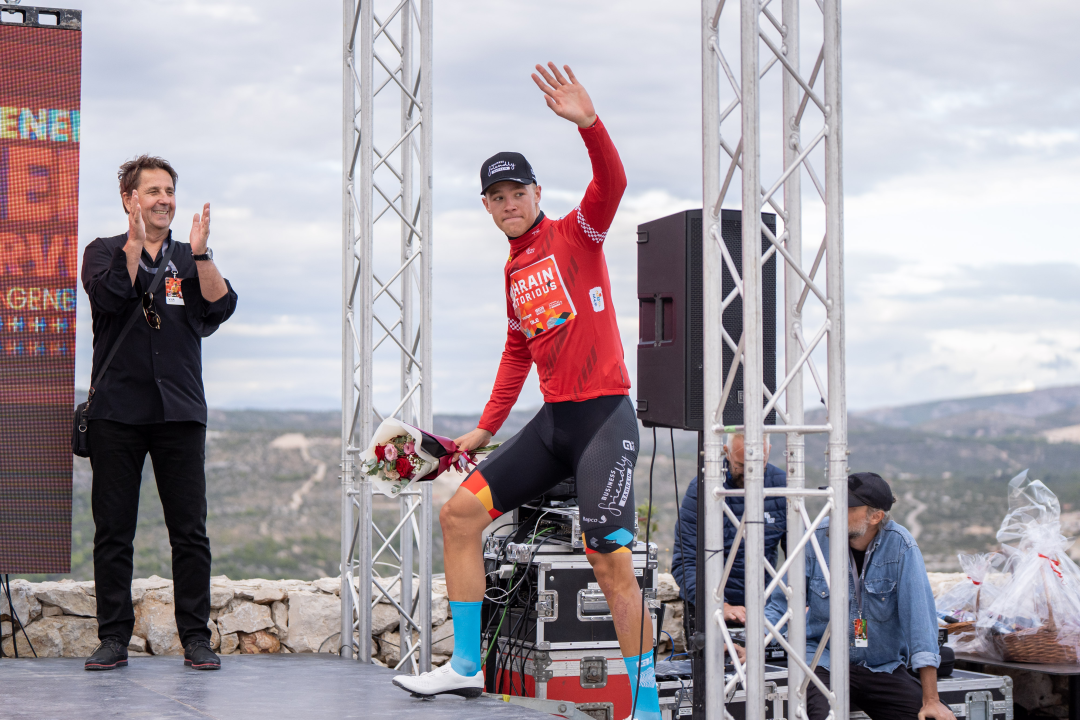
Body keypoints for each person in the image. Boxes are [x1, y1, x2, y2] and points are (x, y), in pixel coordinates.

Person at [392, 63, 660, 719]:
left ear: (537, 193)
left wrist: (589, 124)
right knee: (459, 515)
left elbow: (614, 183)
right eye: (497, 197)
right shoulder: (513, 272)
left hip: (604, 419)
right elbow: (518, 351)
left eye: (518, 192)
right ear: (486, 206)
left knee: (608, 558)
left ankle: (646, 705)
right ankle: (462, 666)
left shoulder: (578, 234)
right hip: (553, 424)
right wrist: (483, 430)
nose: (509, 204)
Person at [81, 156, 237, 672]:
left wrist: (203, 254)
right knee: (114, 532)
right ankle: (112, 639)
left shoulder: (189, 259)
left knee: (190, 532)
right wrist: (133, 244)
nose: (164, 199)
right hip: (116, 414)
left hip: (180, 413)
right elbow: (111, 296)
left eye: (169, 191)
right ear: (129, 199)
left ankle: (195, 639)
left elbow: (219, 308)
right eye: (152, 191)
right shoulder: (101, 252)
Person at [765, 472, 956, 720]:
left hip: (881, 665)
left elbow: (921, 623)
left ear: (875, 517)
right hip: (823, 662)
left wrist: (931, 700)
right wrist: (756, 645)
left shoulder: (902, 546)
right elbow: (780, 604)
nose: (834, 509)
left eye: (847, 506)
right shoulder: (814, 539)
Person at [671, 433, 786, 645]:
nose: (750, 473)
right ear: (726, 451)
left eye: (758, 464)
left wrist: (798, 600)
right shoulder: (703, 488)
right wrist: (719, 606)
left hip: (765, 611)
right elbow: (684, 562)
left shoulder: (782, 486)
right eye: (741, 465)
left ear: (768, 451)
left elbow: (800, 559)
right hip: (710, 611)